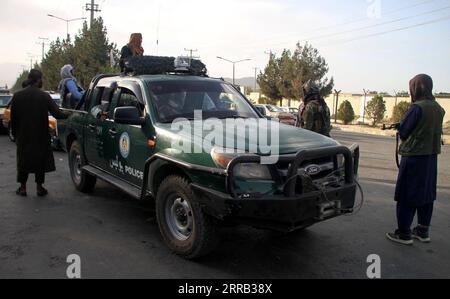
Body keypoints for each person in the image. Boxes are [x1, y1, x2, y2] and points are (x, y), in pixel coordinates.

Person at [386, 74, 445, 245]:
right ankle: (422, 230)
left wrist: (400, 126)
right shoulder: (438, 108)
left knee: (406, 195)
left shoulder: (417, 108)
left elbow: (404, 132)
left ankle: (404, 233)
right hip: (431, 158)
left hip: (413, 158)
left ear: (416, 88)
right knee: (426, 194)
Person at [10, 69, 70, 197]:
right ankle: (39, 188)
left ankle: (22, 188)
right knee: (39, 162)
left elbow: (13, 119)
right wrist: (71, 114)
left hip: (23, 136)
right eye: (41, 79)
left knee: (23, 161)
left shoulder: (17, 96)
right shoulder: (44, 96)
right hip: (40, 136)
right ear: (38, 80)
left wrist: (16, 135)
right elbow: (57, 114)